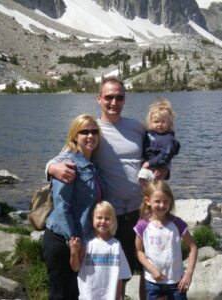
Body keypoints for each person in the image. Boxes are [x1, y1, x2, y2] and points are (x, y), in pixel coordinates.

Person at [46, 77, 168, 299]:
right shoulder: (91, 130)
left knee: (129, 270)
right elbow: (62, 156)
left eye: (119, 97)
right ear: (99, 99)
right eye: (109, 97)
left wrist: (165, 171)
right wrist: (51, 169)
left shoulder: (137, 128)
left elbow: (157, 157)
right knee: (100, 273)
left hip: (138, 212)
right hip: (106, 218)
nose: (114, 102)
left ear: (124, 99)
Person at [43, 114, 103, 300]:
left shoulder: (91, 163)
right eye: (84, 131)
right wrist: (75, 242)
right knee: (61, 294)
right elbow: (62, 208)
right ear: (74, 136)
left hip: (80, 240)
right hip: (64, 241)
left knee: (78, 293)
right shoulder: (68, 164)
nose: (90, 135)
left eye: (94, 131)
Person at [134, 180, 198, 300]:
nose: (162, 205)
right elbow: (138, 251)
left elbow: (193, 247)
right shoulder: (142, 225)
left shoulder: (177, 223)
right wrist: (152, 269)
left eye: (165, 201)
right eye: (157, 201)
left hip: (177, 282)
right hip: (153, 281)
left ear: (170, 201)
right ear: (148, 201)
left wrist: (188, 274)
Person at [69, 201, 131, 300]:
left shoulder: (116, 245)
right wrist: (73, 252)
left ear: (113, 221)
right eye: (99, 217)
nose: (103, 221)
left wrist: (117, 297)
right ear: (92, 218)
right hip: (88, 296)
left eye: (107, 218)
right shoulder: (87, 244)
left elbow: (120, 276)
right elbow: (75, 268)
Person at [138, 97, 180, 188]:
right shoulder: (150, 133)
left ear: (169, 123)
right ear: (151, 122)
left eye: (163, 122)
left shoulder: (168, 139)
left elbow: (166, 154)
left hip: (156, 165)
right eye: (156, 122)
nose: (159, 124)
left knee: (143, 179)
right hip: (147, 162)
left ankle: (149, 193)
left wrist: (150, 163)